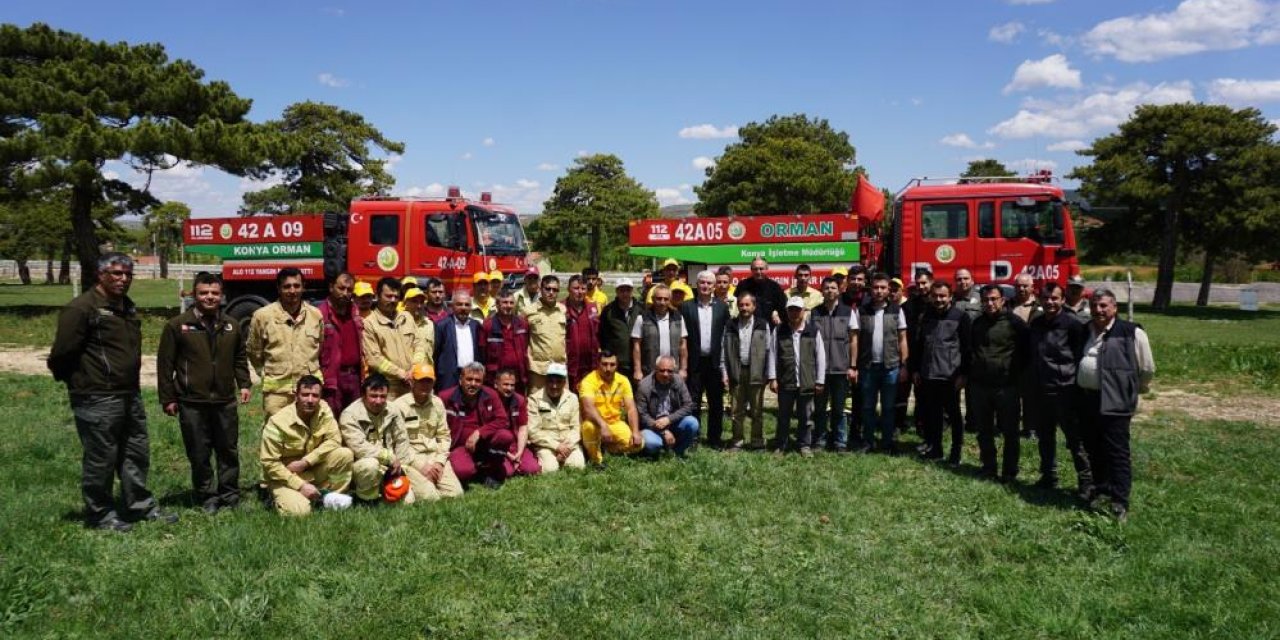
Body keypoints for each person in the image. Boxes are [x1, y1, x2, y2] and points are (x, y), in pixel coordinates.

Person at [49, 252, 177, 531]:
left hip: (128, 394)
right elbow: (62, 353)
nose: (123, 279)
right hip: (97, 396)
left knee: (135, 452)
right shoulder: (82, 308)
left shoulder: (126, 306)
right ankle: (100, 513)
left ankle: (138, 505)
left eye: (128, 274)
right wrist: (81, 382)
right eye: (117, 273)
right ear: (100, 274)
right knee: (101, 457)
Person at [157, 271, 252, 514]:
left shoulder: (231, 325)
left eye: (214, 293)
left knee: (227, 449)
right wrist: (168, 398)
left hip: (224, 400)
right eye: (203, 293)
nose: (209, 297)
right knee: (199, 451)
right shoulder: (178, 325)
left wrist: (244, 383)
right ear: (194, 294)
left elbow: (240, 357)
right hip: (192, 401)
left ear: (221, 295)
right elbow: (165, 365)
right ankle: (207, 495)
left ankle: (229, 494)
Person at [1077, 289, 1154, 521]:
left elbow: (1147, 368)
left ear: (1114, 307)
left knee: (1117, 451)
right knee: (1093, 447)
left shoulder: (1132, 332)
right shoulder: (1085, 330)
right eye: (1094, 305)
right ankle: (1102, 488)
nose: (1098, 310)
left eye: (1103, 306)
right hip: (1088, 398)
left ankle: (1120, 500)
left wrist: (1131, 390)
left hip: (1115, 400)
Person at [259, 376, 354, 516]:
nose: (310, 400)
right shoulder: (277, 423)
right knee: (299, 513)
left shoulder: (324, 409)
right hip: (285, 477)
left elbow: (334, 439)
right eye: (305, 395)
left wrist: (306, 462)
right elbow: (269, 463)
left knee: (344, 454)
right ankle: (275, 497)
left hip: (311, 468)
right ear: (296, 395)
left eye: (315, 396)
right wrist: (300, 485)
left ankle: (330, 499)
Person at [1029, 283, 1091, 492]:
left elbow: (1079, 355)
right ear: (1040, 299)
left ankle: (1086, 482)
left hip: (1065, 391)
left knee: (1075, 439)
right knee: (1045, 437)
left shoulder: (1072, 325)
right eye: (1046, 298)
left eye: (1054, 298)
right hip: (1040, 389)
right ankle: (1049, 476)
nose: (1050, 302)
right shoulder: (1036, 324)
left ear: (1063, 300)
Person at [968, 284, 1029, 482]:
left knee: (1010, 432)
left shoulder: (1015, 322)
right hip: (980, 386)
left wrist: (1018, 377)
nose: (990, 303)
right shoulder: (977, 323)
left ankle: (1010, 471)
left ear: (1002, 300)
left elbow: (1027, 351)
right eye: (986, 300)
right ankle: (988, 467)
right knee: (984, 430)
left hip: (1007, 386)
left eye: (994, 299)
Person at [247, 267, 324, 416]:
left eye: (296, 285)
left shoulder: (315, 315)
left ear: (303, 287)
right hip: (277, 393)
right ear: (278, 288)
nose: (292, 291)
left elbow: (319, 347)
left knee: (307, 434)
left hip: (308, 391)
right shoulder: (262, 316)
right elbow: (254, 352)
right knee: (276, 435)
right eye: (287, 286)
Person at [439, 363, 531, 487]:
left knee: (505, 436)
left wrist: (479, 433)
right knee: (463, 471)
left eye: (477, 380)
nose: (473, 384)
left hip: (485, 444)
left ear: (482, 382)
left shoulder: (490, 394)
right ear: (460, 380)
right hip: (459, 446)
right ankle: (478, 471)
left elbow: (502, 419)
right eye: (469, 379)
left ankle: (491, 470)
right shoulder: (445, 397)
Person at [912, 281, 972, 464]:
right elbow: (918, 345)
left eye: (942, 296)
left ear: (950, 297)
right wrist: (915, 369)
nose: (939, 299)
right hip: (929, 374)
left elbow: (968, 348)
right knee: (933, 415)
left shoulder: (961, 317)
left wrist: (964, 374)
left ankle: (956, 453)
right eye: (935, 296)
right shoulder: (925, 317)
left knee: (954, 416)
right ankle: (936, 449)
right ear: (930, 297)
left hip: (950, 376)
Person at [340, 373, 420, 504]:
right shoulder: (349, 415)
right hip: (363, 467)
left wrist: (401, 468)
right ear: (363, 396)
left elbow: (401, 440)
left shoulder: (393, 409)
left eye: (383, 396)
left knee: (409, 501)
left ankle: (384, 495)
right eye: (373, 396)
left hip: (391, 467)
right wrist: (389, 457)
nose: (378, 401)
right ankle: (366, 502)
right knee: (370, 465)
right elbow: (359, 448)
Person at [391, 364, 465, 500]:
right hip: (411, 459)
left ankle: (428, 483)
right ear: (412, 382)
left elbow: (444, 436)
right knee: (430, 498)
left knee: (455, 495)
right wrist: (421, 466)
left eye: (429, 381)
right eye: (421, 381)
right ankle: (414, 486)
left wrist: (439, 462)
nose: (425, 385)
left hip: (434, 455)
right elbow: (399, 444)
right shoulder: (399, 406)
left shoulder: (438, 403)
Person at [857, 273, 909, 454]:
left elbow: (902, 339)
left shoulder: (896, 310)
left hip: (891, 367)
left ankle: (888, 442)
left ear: (889, 290)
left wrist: (904, 365)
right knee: (868, 407)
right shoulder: (862, 310)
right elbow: (856, 339)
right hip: (868, 367)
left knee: (888, 408)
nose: (879, 291)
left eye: (883, 288)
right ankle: (868, 442)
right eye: (876, 287)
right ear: (870, 289)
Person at [769, 297, 826, 455]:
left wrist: (820, 381)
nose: (794, 312)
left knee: (806, 417)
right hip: (786, 381)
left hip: (807, 382)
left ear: (803, 311)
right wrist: (772, 378)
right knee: (783, 416)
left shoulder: (813, 331)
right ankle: (781, 445)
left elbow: (820, 357)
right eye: (791, 309)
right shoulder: (779, 330)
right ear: (787, 311)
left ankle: (804, 445)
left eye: (797, 309)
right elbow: (772, 355)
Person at [679, 270, 729, 448]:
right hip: (694, 363)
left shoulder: (722, 308)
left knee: (716, 403)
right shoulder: (686, 307)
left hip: (714, 363)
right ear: (696, 284)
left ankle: (715, 439)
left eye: (709, 283)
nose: (705, 286)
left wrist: (725, 368)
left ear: (714, 286)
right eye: (702, 283)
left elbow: (726, 337)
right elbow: (682, 337)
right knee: (693, 402)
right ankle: (693, 438)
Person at [721, 294, 773, 451]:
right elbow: (723, 350)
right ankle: (737, 440)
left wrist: (769, 374)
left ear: (754, 307)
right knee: (736, 410)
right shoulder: (730, 324)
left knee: (757, 410)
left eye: (747, 305)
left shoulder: (763, 324)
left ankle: (757, 441)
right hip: (736, 372)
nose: (744, 308)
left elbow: (770, 350)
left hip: (756, 372)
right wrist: (724, 373)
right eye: (741, 305)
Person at [810, 277, 857, 452]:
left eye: (833, 288)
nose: (830, 291)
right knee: (820, 408)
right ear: (822, 291)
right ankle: (820, 440)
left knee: (839, 408)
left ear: (839, 291)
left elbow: (853, 340)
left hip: (840, 368)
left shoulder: (848, 312)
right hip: (820, 371)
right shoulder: (815, 313)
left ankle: (840, 441)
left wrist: (852, 366)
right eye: (827, 288)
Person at [579, 351, 644, 464]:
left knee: (638, 444)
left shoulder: (623, 380)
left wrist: (635, 431)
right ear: (598, 364)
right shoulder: (588, 381)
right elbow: (588, 408)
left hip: (615, 423)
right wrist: (603, 426)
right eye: (604, 364)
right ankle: (596, 460)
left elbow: (631, 408)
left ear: (617, 365)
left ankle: (606, 449)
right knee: (589, 427)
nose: (608, 368)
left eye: (612, 364)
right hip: (595, 423)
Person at [363, 276, 419, 398]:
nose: (393, 300)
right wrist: (401, 374)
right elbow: (374, 359)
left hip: (412, 383)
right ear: (377, 296)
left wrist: (414, 369)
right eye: (388, 296)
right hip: (387, 389)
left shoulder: (407, 317)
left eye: (396, 297)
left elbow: (419, 345)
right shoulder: (369, 323)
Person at [317, 272, 364, 415]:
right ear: (331, 287)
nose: (345, 293)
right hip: (333, 379)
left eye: (349, 290)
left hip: (355, 377)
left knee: (355, 420)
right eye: (341, 288)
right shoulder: (320, 314)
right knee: (332, 420)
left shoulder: (356, 313)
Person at [635, 355, 700, 457]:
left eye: (670, 371)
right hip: (652, 426)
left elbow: (688, 405)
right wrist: (663, 431)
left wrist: (669, 419)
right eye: (662, 370)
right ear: (655, 369)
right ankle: (658, 451)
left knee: (692, 423)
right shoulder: (644, 386)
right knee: (652, 443)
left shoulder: (678, 381)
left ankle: (676, 453)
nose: (666, 374)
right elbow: (642, 415)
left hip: (673, 422)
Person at [526, 363, 585, 472]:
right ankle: (552, 461)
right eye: (551, 381)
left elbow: (576, 427)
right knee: (550, 470)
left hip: (569, 444)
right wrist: (557, 446)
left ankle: (562, 460)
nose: (554, 386)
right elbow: (533, 431)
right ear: (545, 381)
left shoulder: (572, 398)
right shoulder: (534, 399)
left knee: (577, 467)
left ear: (564, 382)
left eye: (558, 382)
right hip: (546, 445)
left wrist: (566, 447)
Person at [631, 283, 688, 384]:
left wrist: (683, 369)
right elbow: (636, 346)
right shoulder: (642, 318)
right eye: (659, 298)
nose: (662, 302)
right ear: (653, 299)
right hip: (649, 371)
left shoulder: (678, 318)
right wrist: (637, 370)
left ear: (670, 300)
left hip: (672, 371)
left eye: (666, 299)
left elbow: (683, 345)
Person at [491, 368, 542, 479]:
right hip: (498, 445)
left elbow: (523, 427)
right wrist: (508, 455)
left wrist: (519, 453)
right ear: (496, 384)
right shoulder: (488, 401)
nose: (509, 388)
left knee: (532, 470)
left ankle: (519, 461)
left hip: (516, 444)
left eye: (512, 385)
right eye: (505, 384)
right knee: (506, 473)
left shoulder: (520, 400)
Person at [1010, 273, 1043, 439]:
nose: (1021, 289)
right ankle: (1010, 426)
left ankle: (1030, 427)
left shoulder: (1041, 306)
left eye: (1025, 286)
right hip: (1012, 356)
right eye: (1018, 286)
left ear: (1032, 287)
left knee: (1031, 395)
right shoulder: (1008, 305)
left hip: (1033, 357)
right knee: (1012, 395)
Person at [478, 289, 530, 389]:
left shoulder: (522, 324)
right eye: (505, 302)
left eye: (511, 303)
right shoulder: (488, 325)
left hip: (518, 377)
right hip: (495, 378)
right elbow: (482, 352)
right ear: (497, 305)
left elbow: (527, 346)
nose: (508, 306)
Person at [525, 274, 567, 395]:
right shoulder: (529, 312)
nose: (551, 292)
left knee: (561, 406)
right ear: (540, 289)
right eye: (547, 289)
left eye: (555, 290)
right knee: (537, 405)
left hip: (560, 367)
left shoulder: (563, 310)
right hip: (538, 370)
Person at [433, 290, 483, 391]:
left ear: (471, 307)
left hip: (471, 376)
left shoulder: (476, 326)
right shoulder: (442, 325)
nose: (463, 308)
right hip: (449, 377)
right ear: (452, 306)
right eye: (459, 304)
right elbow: (435, 354)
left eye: (467, 305)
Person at [599, 278, 643, 379]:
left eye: (628, 290)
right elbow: (603, 335)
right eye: (621, 290)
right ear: (616, 291)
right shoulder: (608, 311)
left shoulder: (641, 309)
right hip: (616, 363)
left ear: (632, 291)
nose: (625, 293)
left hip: (638, 363)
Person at [564, 274, 602, 391]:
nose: (580, 292)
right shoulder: (560, 308)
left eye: (583, 288)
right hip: (570, 363)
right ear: (568, 289)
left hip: (590, 363)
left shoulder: (593, 307)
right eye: (576, 288)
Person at [735, 257, 786, 325]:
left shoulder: (775, 287)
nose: (758, 272)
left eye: (761, 269)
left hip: (768, 328)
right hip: (746, 326)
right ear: (751, 270)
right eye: (755, 269)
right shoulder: (743, 285)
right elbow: (736, 307)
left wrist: (777, 313)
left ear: (766, 269)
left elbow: (783, 309)